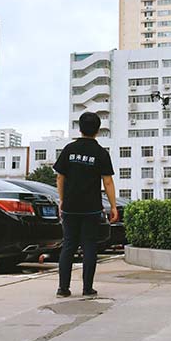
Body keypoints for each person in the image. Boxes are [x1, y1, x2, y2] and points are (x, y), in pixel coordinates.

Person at [53, 112, 118, 298]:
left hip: (70, 206)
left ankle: (63, 288)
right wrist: (113, 206)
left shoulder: (69, 149)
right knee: (89, 246)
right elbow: (108, 182)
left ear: (80, 129)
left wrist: (62, 200)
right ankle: (87, 288)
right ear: (98, 130)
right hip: (92, 207)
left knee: (69, 245)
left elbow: (60, 177)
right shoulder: (101, 153)